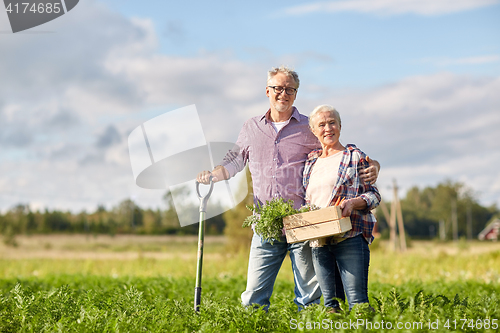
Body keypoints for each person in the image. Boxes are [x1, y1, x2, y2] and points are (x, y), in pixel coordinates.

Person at [196, 66, 380, 311]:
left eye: (290, 89)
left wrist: (374, 164)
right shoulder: (252, 127)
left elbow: (337, 150)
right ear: (267, 91)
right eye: (278, 88)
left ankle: (309, 326)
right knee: (254, 294)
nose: (283, 93)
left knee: (309, 295)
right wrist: (213, 174)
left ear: (296, 93)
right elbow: (234, 160)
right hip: (265, 222)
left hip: (303, 222)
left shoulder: (309, 126)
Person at [304, 104, 381, 312]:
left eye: (332, 123)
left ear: (340, 126)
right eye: (322, 124)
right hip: (319, 241)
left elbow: (374, 195)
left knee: (358, 303)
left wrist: (352, 203)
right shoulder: (310, 162)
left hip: (351, 236)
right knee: (331, 306)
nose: (328, 128)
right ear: (313, 130)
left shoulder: (354, 156)